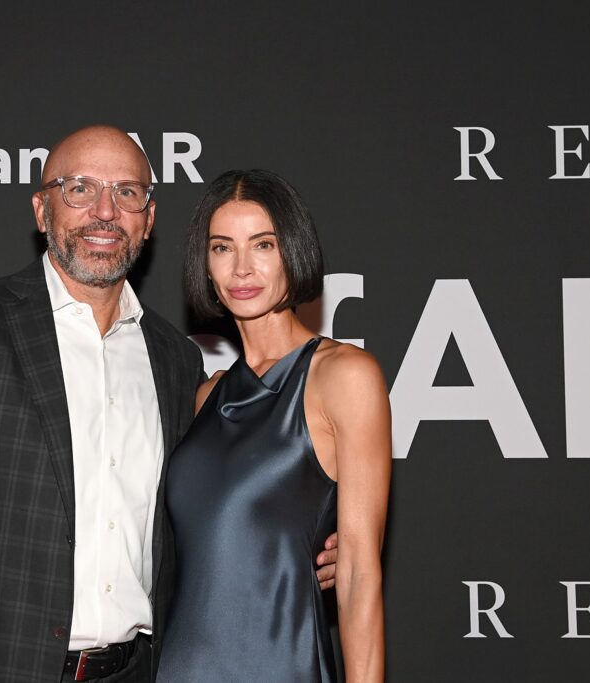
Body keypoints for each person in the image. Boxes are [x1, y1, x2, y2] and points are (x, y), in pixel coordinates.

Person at [0, 127, 338, 682]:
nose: (105, 212)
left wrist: (310, 544)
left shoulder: (175, 360)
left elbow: (209, 512)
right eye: (79, 189)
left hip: (138, 671)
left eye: (127, 193)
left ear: (148, 220)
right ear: (42, 209)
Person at [157, 170, 391, 683]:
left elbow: (355, 573)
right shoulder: (206, 396)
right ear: (206, 265)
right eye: (222, 248)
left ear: (294, 251)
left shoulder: (344, 376)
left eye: (263, 244)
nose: (242, 267)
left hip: (282, 666)